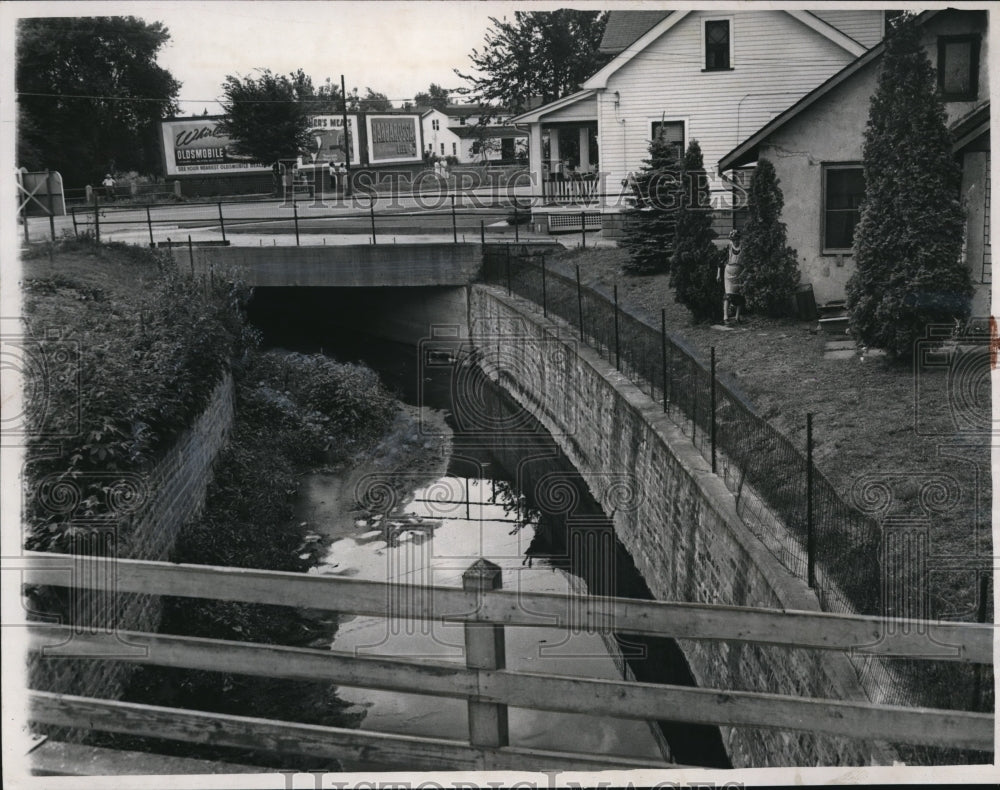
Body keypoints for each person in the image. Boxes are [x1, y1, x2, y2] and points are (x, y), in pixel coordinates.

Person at [718, 228, 744, 325]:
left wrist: (744, 272)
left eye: (737, 239)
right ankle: (725, 317)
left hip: (739, 273)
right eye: (733, 240)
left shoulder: (743, 247)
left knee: (739, 295)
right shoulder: (728, 247)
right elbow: (720, 261)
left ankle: (737, 317)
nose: (735, 241)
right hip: (728, 274)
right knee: (728, 294)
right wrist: (718, 274)